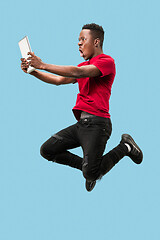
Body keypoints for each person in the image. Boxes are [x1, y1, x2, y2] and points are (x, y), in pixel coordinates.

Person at [21, 23, 143, 192]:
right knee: (47, 150)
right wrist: (33, 71)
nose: (79, 43)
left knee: (91, 174)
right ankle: (89, 169)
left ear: (96, 42)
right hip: (81, 125)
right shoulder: (82, 67)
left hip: (98, 125)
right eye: (78, 40)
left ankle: (125, 147)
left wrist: (43, 64)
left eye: (83, 39)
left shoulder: (107, 62)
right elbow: (57, 80)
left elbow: (77, 73)